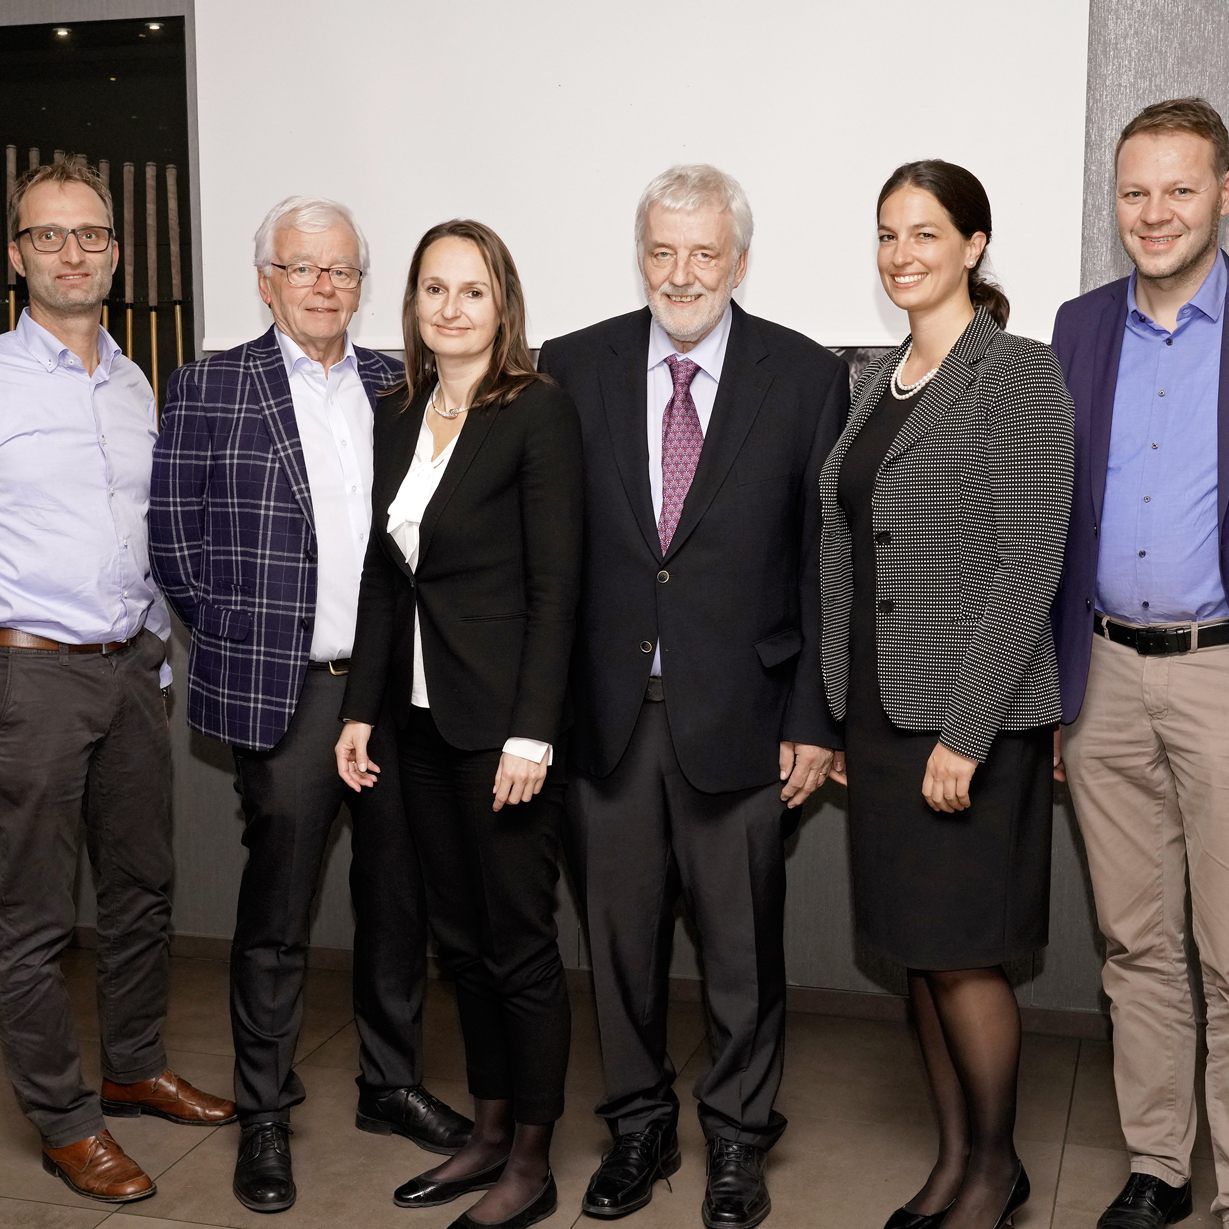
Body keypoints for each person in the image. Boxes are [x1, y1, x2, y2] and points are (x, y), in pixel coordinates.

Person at [537, 164, 849, 1229]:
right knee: (617, 945)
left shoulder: (805, 377)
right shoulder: (569, 367)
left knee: (740, 950)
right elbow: (553, 556)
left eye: (703, 252)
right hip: (607, 718)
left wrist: (813, 715)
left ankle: (734, 1138)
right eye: (661, 251)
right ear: (641, 255)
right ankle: (634, 1124)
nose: (681, 272)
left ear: (738, 260)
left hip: (744, 720)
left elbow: (820, 567)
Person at [149, 196, 469, 1214]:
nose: (325, 285)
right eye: (304, 268)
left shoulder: (398, 383)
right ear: (266, 279)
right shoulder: (208, 387)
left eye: (342, 271)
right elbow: (177, 547)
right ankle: (265, 1112)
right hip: (284, 698)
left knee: (395, 899)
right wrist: (253, 644)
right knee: (278, 914)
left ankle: (388, 1083)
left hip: (389, 697)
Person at [818, 160, 1073, 1229]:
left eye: (924, 233)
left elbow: (1028, 566)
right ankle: (955, 1161)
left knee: (963, 956)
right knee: (915, 955)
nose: (901, 254)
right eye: (886, 234)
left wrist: (963, 734)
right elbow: (846, 544)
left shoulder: (1015, 373)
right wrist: (838, 710)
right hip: (879, 720)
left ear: (972, 245)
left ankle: (996, 1170)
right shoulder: (879, 378)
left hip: (965, 721)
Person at [334, 218, 582, 1229]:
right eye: (433, 289)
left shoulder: (535, 413)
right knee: (460, 940)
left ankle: (531, 1154)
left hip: (501, 731)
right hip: (416, 727)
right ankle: (485, 1128)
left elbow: (556, 585)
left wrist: (531, 733)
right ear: (413, 304)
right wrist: (358, 712)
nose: (450, 308)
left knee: (518, 941)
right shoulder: (397, 412)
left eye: (470, 290)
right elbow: (385, 580)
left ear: (502, 305)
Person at [0, 157, 235, 1205]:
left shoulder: (139, 380)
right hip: (32, 676)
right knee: (35, 916)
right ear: (16, 255)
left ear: (116, 250)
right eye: (48, 235)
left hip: (134, 668)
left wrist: (159, 642)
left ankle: (133, 1065)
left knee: (142, 889)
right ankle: (63, 1116)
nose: (71, 252)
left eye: (90, 234)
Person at [1051, 96, 1229, 1229]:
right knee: (1135, 941)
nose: (1151, 212)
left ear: (1220, 195)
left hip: (1221, 674)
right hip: (1102, 674)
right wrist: (1053, 696)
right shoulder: (1076, 328)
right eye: (1132, 190)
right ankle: (1158, 1163)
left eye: (1177, 187)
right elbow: (1045, 521)